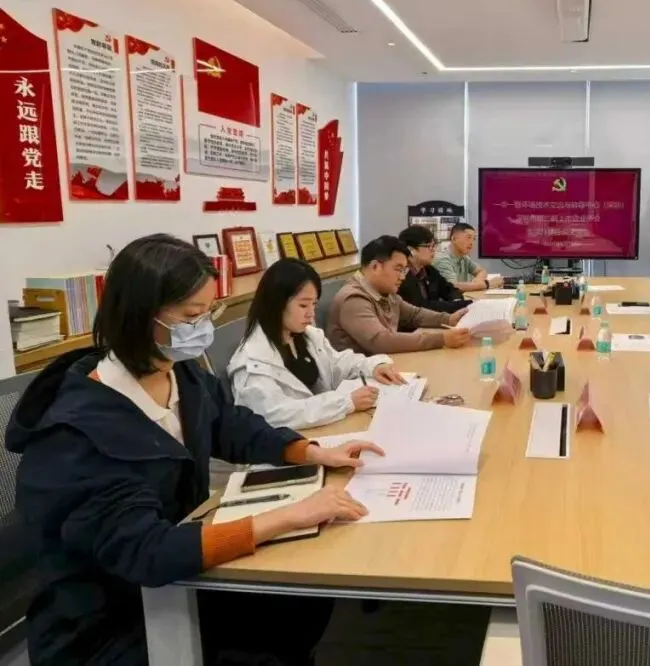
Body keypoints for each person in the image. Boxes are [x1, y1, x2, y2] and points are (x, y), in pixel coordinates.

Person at [4, 234, 381, 666]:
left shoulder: (180, 373)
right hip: (108, 618)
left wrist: (311, 452)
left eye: (209, 313)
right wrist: (287, 517)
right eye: (191, 316)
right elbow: (147, 551)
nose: (202, 328)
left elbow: (230, 425)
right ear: (139, 314)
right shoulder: (76, 435)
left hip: (176, 576)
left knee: (301, 603)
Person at [228, 258, 408, 430]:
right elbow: (275, 414)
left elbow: (336, 364)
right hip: (291, 444)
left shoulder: (306, 335)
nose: (311, 314)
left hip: (325, 429)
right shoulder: (252, 361)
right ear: (276, 304)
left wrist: (373, 366)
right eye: (303, 305)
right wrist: (345, 402)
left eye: (314, 304)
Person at [328, 235, 472, 354]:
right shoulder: (353, 299)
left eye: (404, 270)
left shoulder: (385, 291)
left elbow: (414, 315)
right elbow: (381, 341)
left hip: (387, 365)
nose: (403, 277)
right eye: (398, 269)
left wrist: (449, 319)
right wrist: (441, 339)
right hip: (362, 375)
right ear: (375, 266)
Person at [398, 225, 470, 314]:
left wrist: (457, 300)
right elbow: (422, 307)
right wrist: (461, 305)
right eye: (428, 246)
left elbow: (449, 289)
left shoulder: (428, 270)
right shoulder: (402, 276)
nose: (433, 250)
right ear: (411, 250)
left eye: (433, 246)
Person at [432, 222, 494, 293]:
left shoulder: (464, 258)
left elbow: (481, 270)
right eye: (468, 237)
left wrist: (478, 280)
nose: (471, 243)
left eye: (473, 239)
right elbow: (453, 287)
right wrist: (486, 284)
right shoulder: (442, 259)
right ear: (454, 238)